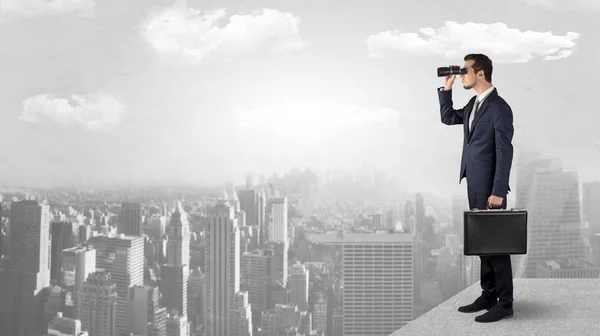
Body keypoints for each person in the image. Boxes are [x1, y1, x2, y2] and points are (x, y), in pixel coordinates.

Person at [437, 53, 515, 323]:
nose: (461, 76)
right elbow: (448, 118)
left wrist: (498, 190)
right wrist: (446, 89)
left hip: (491, 188)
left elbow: (505, 152)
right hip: (474, 182)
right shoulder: (473, 104)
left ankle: (505, 303)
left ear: (480, 74)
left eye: (465, 71)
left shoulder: (499, 108)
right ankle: (488, 295)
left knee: (497, 246)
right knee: (483, 244)